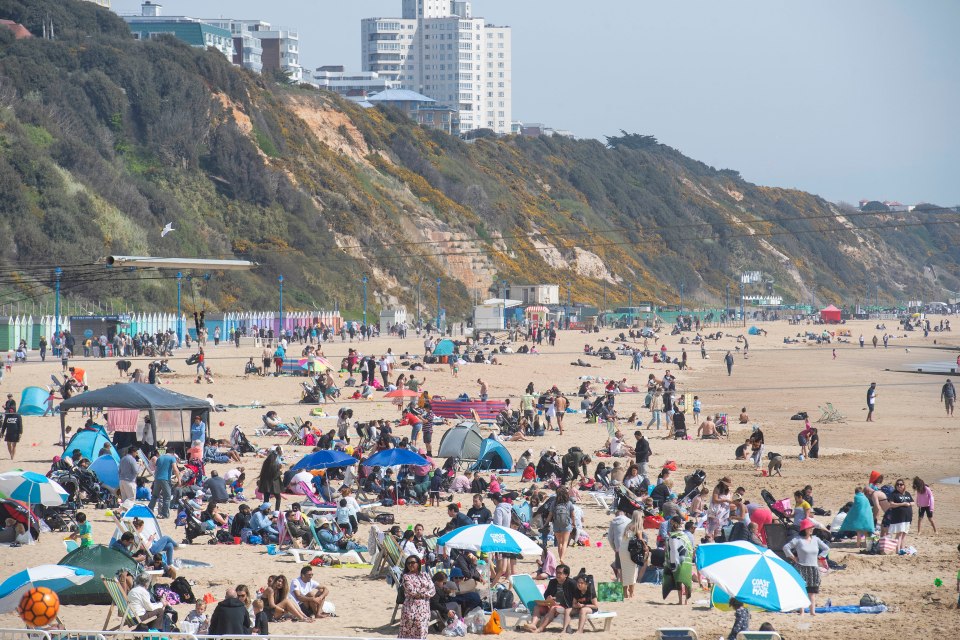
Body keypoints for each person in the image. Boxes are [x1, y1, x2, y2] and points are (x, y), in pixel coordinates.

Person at [782, 519, 829, 615]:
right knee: (802, 590)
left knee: (812, 591)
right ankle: (802, 611)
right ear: (804, 529)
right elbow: (786, 547)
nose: (811, 529)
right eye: (809, 528)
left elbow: (826, 548)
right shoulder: (798, 539)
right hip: (801, 567)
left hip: (813, 568)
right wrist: (793, 558)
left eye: (812, 528)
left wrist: (820, 557)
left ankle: (812, 612)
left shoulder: (816, 539)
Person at [524, 563, 573, 633]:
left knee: (553, 608)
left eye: (560, 573)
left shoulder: (571, 583)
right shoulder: (553, 582)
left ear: (566, 575)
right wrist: (548, 597)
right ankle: (533, 624)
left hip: (565, 606)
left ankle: (540, 629)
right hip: (552, 604)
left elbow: (575, 598)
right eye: (556, 572)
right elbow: (546, 594)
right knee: (537, 607)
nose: (557, 575)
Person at [398, 555, 435, 640]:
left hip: (424, 608)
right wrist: (425, 590)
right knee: (407, 633)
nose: (410, 565)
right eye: (408, 563)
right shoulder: (406, 576)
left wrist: (421, 592)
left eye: (412, 562)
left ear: (418, 563)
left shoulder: (425, 575)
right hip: (411, 608)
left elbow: (433, 590)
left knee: (422, 631)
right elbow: (411, 591)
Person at [662, 516, 693, 605]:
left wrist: (672, 563)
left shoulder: (672, 537)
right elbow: (689, 547)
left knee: (679, 580)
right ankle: (686, 601)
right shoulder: (685, 536)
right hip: (687, 560)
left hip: (677, 561)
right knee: (686, 580)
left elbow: (672, 551)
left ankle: (680, 601)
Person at [618, 511, 647, 598]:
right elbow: (640, 539)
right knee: (632, 572)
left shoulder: (629, 525)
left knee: (625, 572)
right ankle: (631, 593)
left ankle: (625, 592)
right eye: (643, 517)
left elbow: (628, 537)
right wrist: (646, 547)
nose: (644, 518)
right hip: (630, 551)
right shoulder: (637, 526)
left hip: (623, 549)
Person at [149, 451, 179, 519]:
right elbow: (175, 469)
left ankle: (150, 510)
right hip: (165, 479)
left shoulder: (159, 458)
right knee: (167, 497)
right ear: (172, 453)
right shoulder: (172, 458)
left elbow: (156, 469)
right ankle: (164, 514)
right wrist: (179, 479)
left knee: (154, 496)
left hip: (157, 478)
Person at [886, 478, 914, 552]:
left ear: (904, 485)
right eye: (897, 484)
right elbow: (891, 504)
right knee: (900, 533)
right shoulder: (894, 494)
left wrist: (910, 503)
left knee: (904, 533)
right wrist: (903, 504)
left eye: (901, 484)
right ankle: (897, 550)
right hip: (898, 517)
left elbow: (913, 502)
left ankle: (902, 549)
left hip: (907, 517)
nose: (899, 486)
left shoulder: (907, 493)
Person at [552, 486, 575, 564]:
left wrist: (546, 523)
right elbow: (573, 515)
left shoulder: (554, 502)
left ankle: (560, 557)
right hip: (566, 524)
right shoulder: (568, 503)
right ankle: (562, 558)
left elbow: (550, 514)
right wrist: (573, 523)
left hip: (556, 524)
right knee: (565, 542)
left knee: (559, 543)